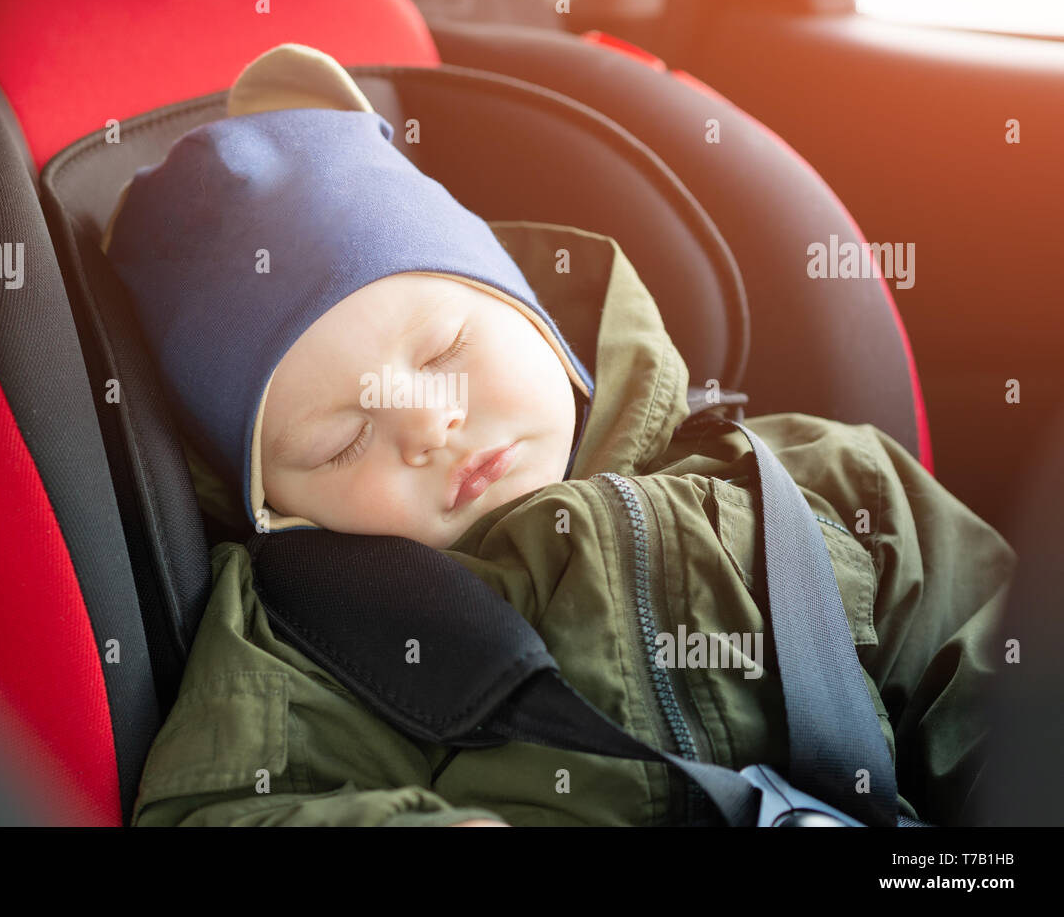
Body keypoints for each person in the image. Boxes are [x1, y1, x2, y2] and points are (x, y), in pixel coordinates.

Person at [102, 43, 1015, 826]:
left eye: (447, 348)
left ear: (531, 309)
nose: (429, 422)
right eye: (342, 440)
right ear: (279, 511)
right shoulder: (312, 640)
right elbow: (226, 807)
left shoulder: (813, 482)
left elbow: (997, 678)